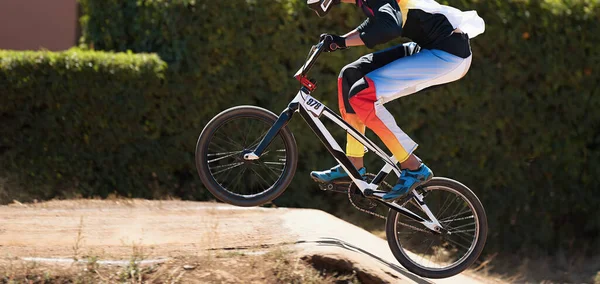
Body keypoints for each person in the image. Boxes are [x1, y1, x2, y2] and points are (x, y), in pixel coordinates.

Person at [309, 0, 484, 201]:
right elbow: (374, 24)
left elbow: (389, 27)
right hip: (427, 47)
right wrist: (339, 40)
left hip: (449, 55)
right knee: (350, 75)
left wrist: (342, 42)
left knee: (362, 95)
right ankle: (354, 163)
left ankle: (413, 166)